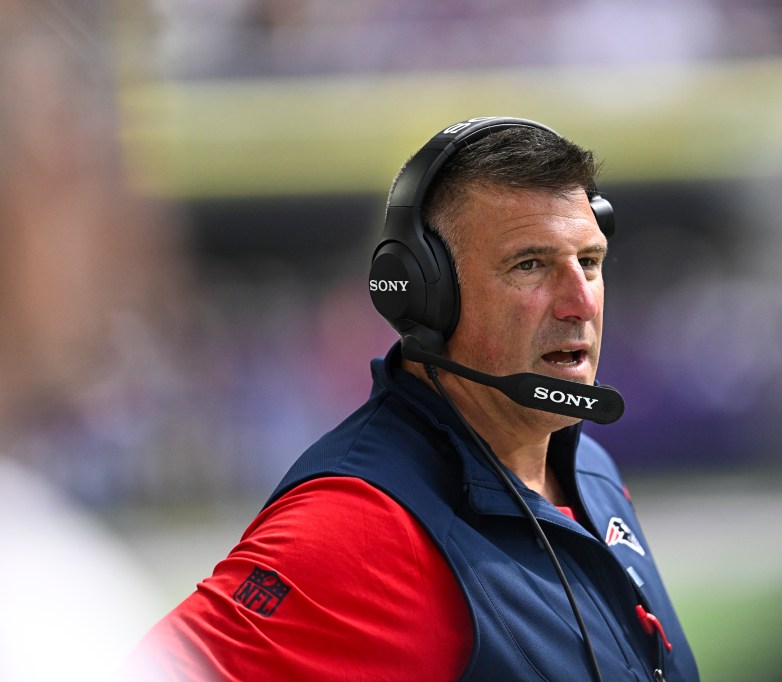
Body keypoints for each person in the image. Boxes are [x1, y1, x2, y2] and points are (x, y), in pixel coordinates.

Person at [127, 117, 700, 681]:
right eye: (530, 265)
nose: (580, 302)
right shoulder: (362, 523)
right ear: (426, 296)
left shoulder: (588, 468)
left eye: (590, 263)